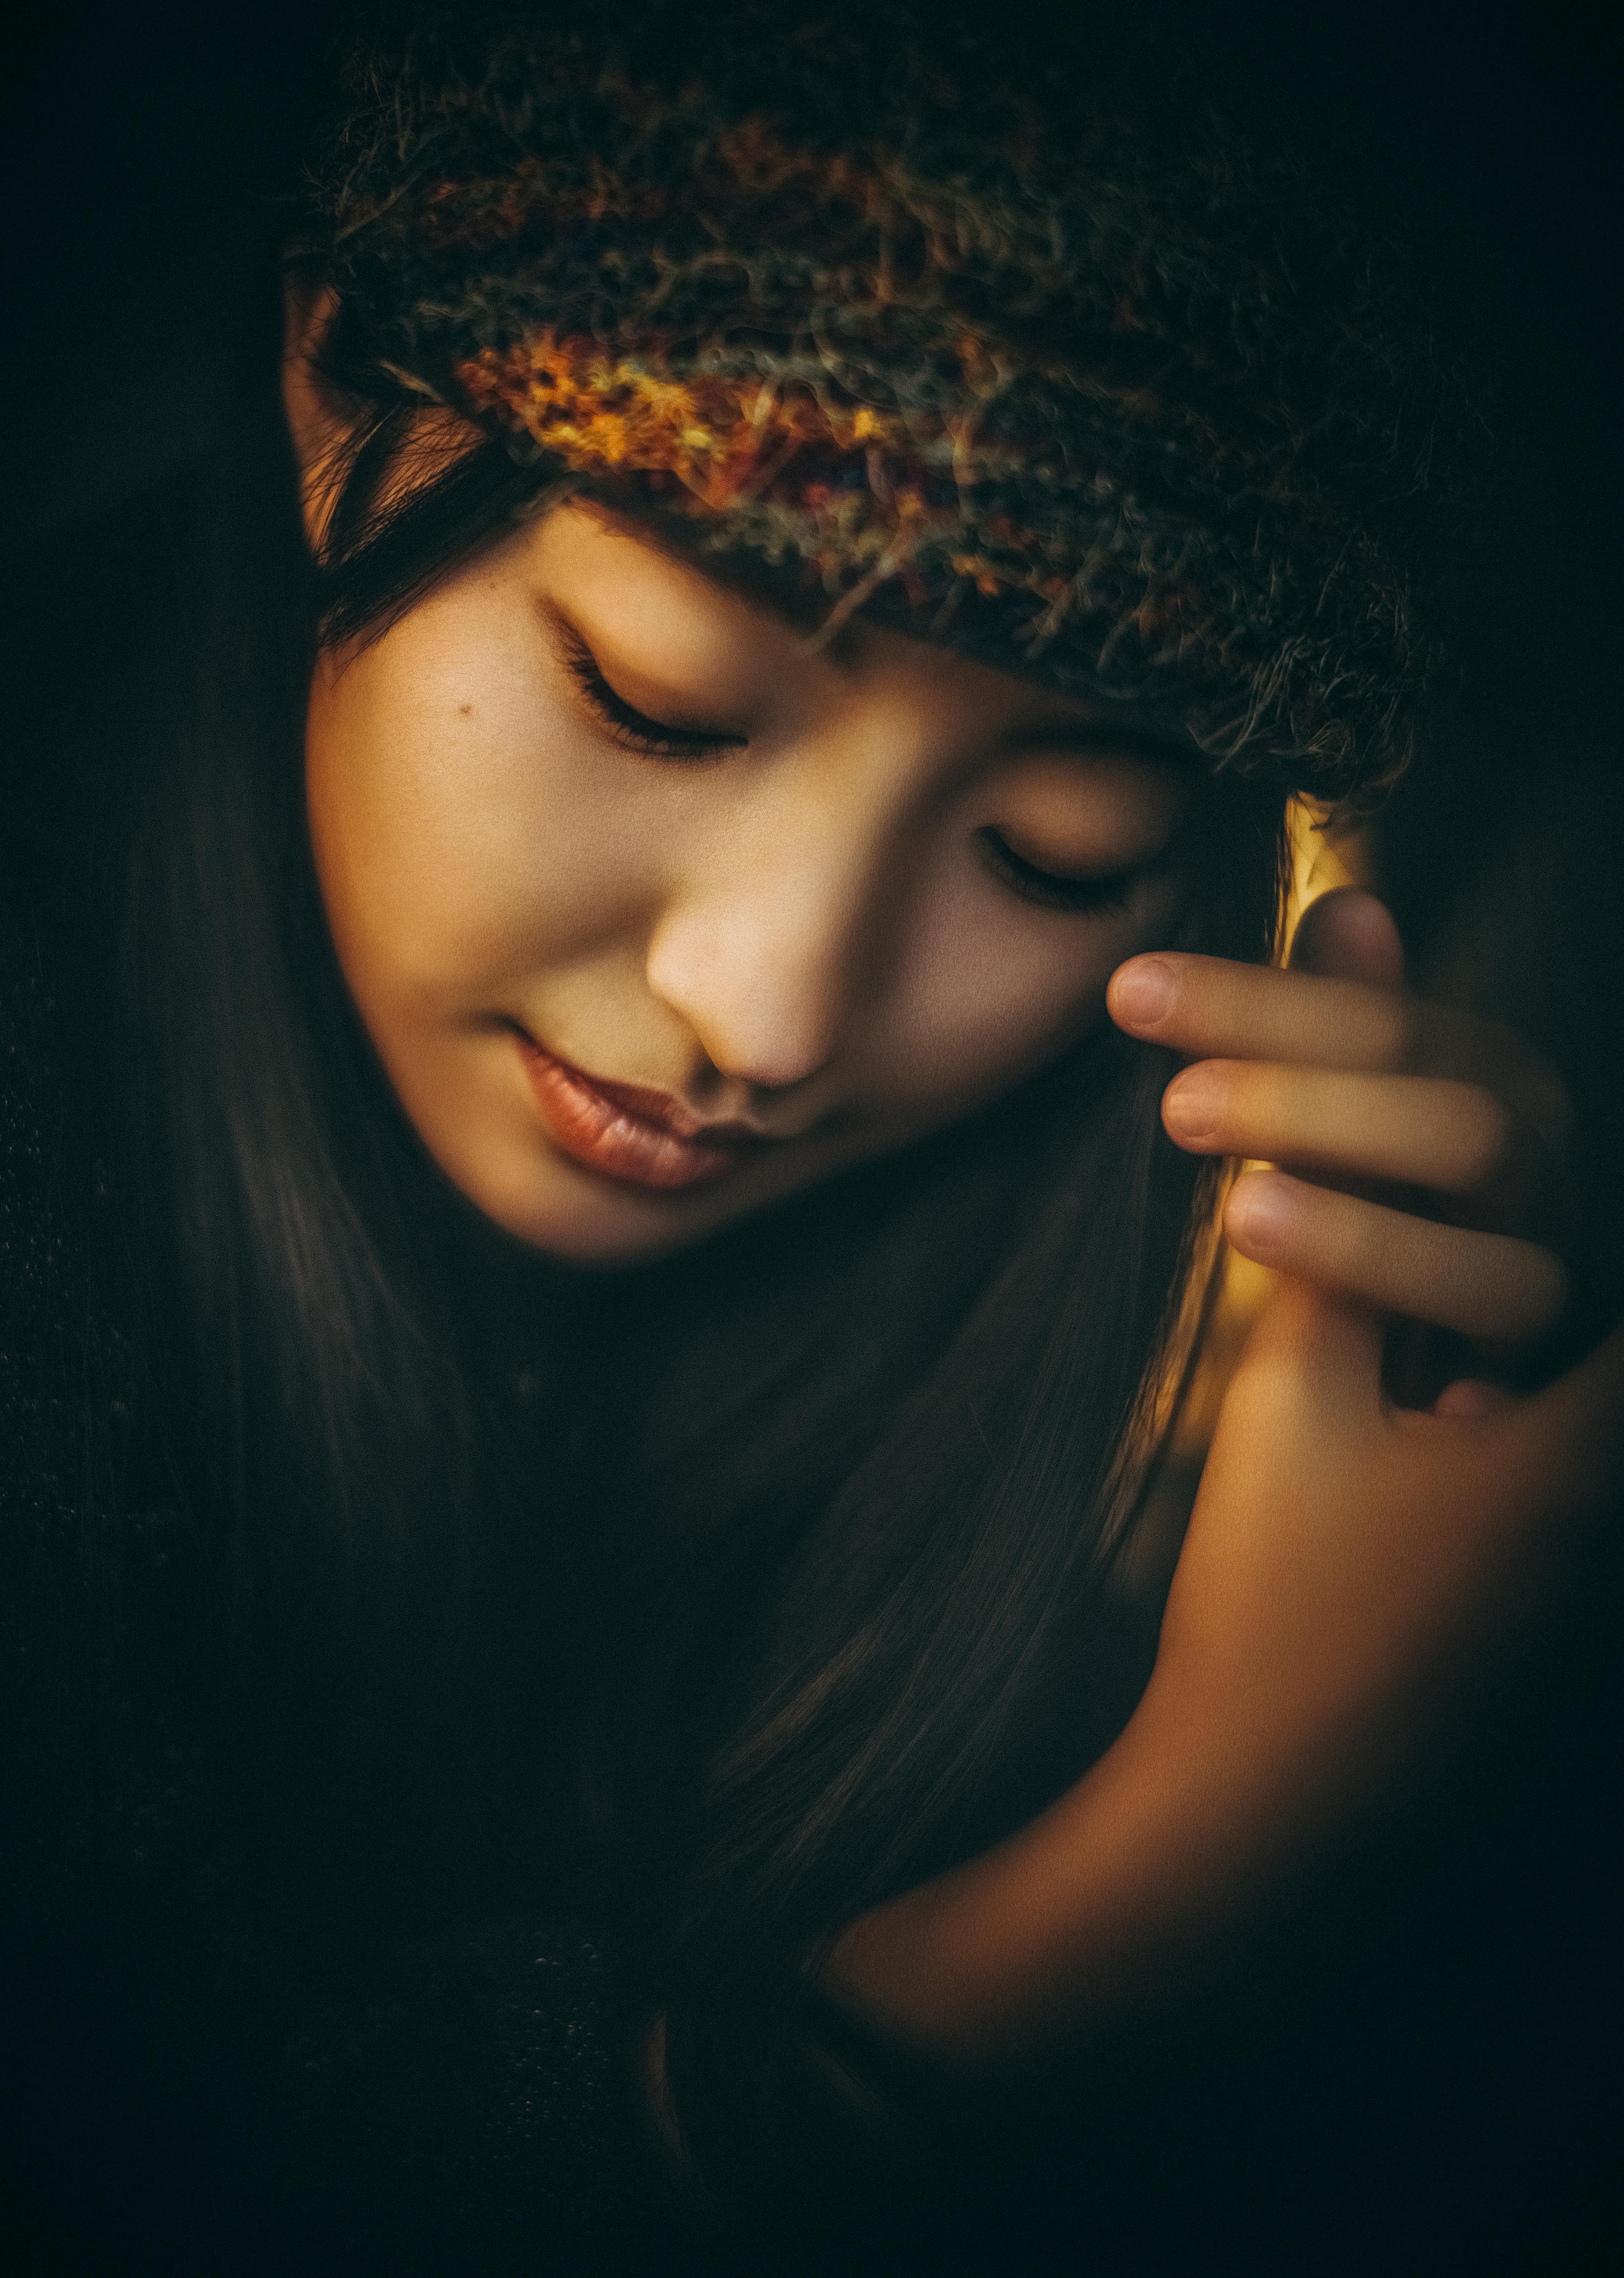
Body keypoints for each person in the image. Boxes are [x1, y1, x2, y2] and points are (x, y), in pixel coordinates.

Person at [3, 3, 1620, 2268]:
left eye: (1053, 857)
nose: (759, 1016)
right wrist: (1173, 1865)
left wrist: (1299, 1508)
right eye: (653, 702)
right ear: (342, 379)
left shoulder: (1124, 1222)